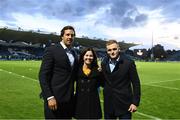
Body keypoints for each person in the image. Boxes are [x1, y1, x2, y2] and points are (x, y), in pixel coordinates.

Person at [39, 25, 78, 119]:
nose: (70, 37)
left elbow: (75, 73)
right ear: (62, 36)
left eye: (72, 35)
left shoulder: (74, 53)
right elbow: (43, 75)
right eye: (67, 35)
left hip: (68, 100)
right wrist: (49, 97)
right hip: (54, 99)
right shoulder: (51, 50)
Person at [101, 39, 141, 119]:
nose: (112, 52)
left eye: (114, 49)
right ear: (107, 51)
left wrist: (135, 103)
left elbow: (136, 83)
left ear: (119, 49)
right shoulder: (104, 62)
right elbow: (104, 82)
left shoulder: (129, 62)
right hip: (109, 104)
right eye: (109, 50)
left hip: (125, 104)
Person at [74, 48, 102, 119]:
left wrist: (102, 72)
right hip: (80, 103)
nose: (88, 57)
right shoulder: (76, 69)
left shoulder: (98, 70)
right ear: (83, 56)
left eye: (91, 56)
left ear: (94, 57)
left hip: (93, 103)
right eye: (86, 55)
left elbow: (102, 84)